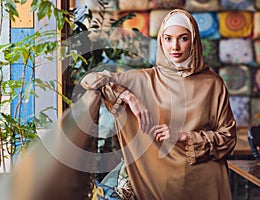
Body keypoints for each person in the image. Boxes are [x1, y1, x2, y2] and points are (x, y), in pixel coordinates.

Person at [81, 9, 237, 200]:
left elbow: (228, 138)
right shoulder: (145, 79)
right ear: (161, 41)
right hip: (158, 185)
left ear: (194, 41)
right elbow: (90, 79)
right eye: (168, 38)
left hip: (206, 183)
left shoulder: (213, 83)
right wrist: (130, 97)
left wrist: (184, 136)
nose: (175, 47)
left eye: (183, 38)